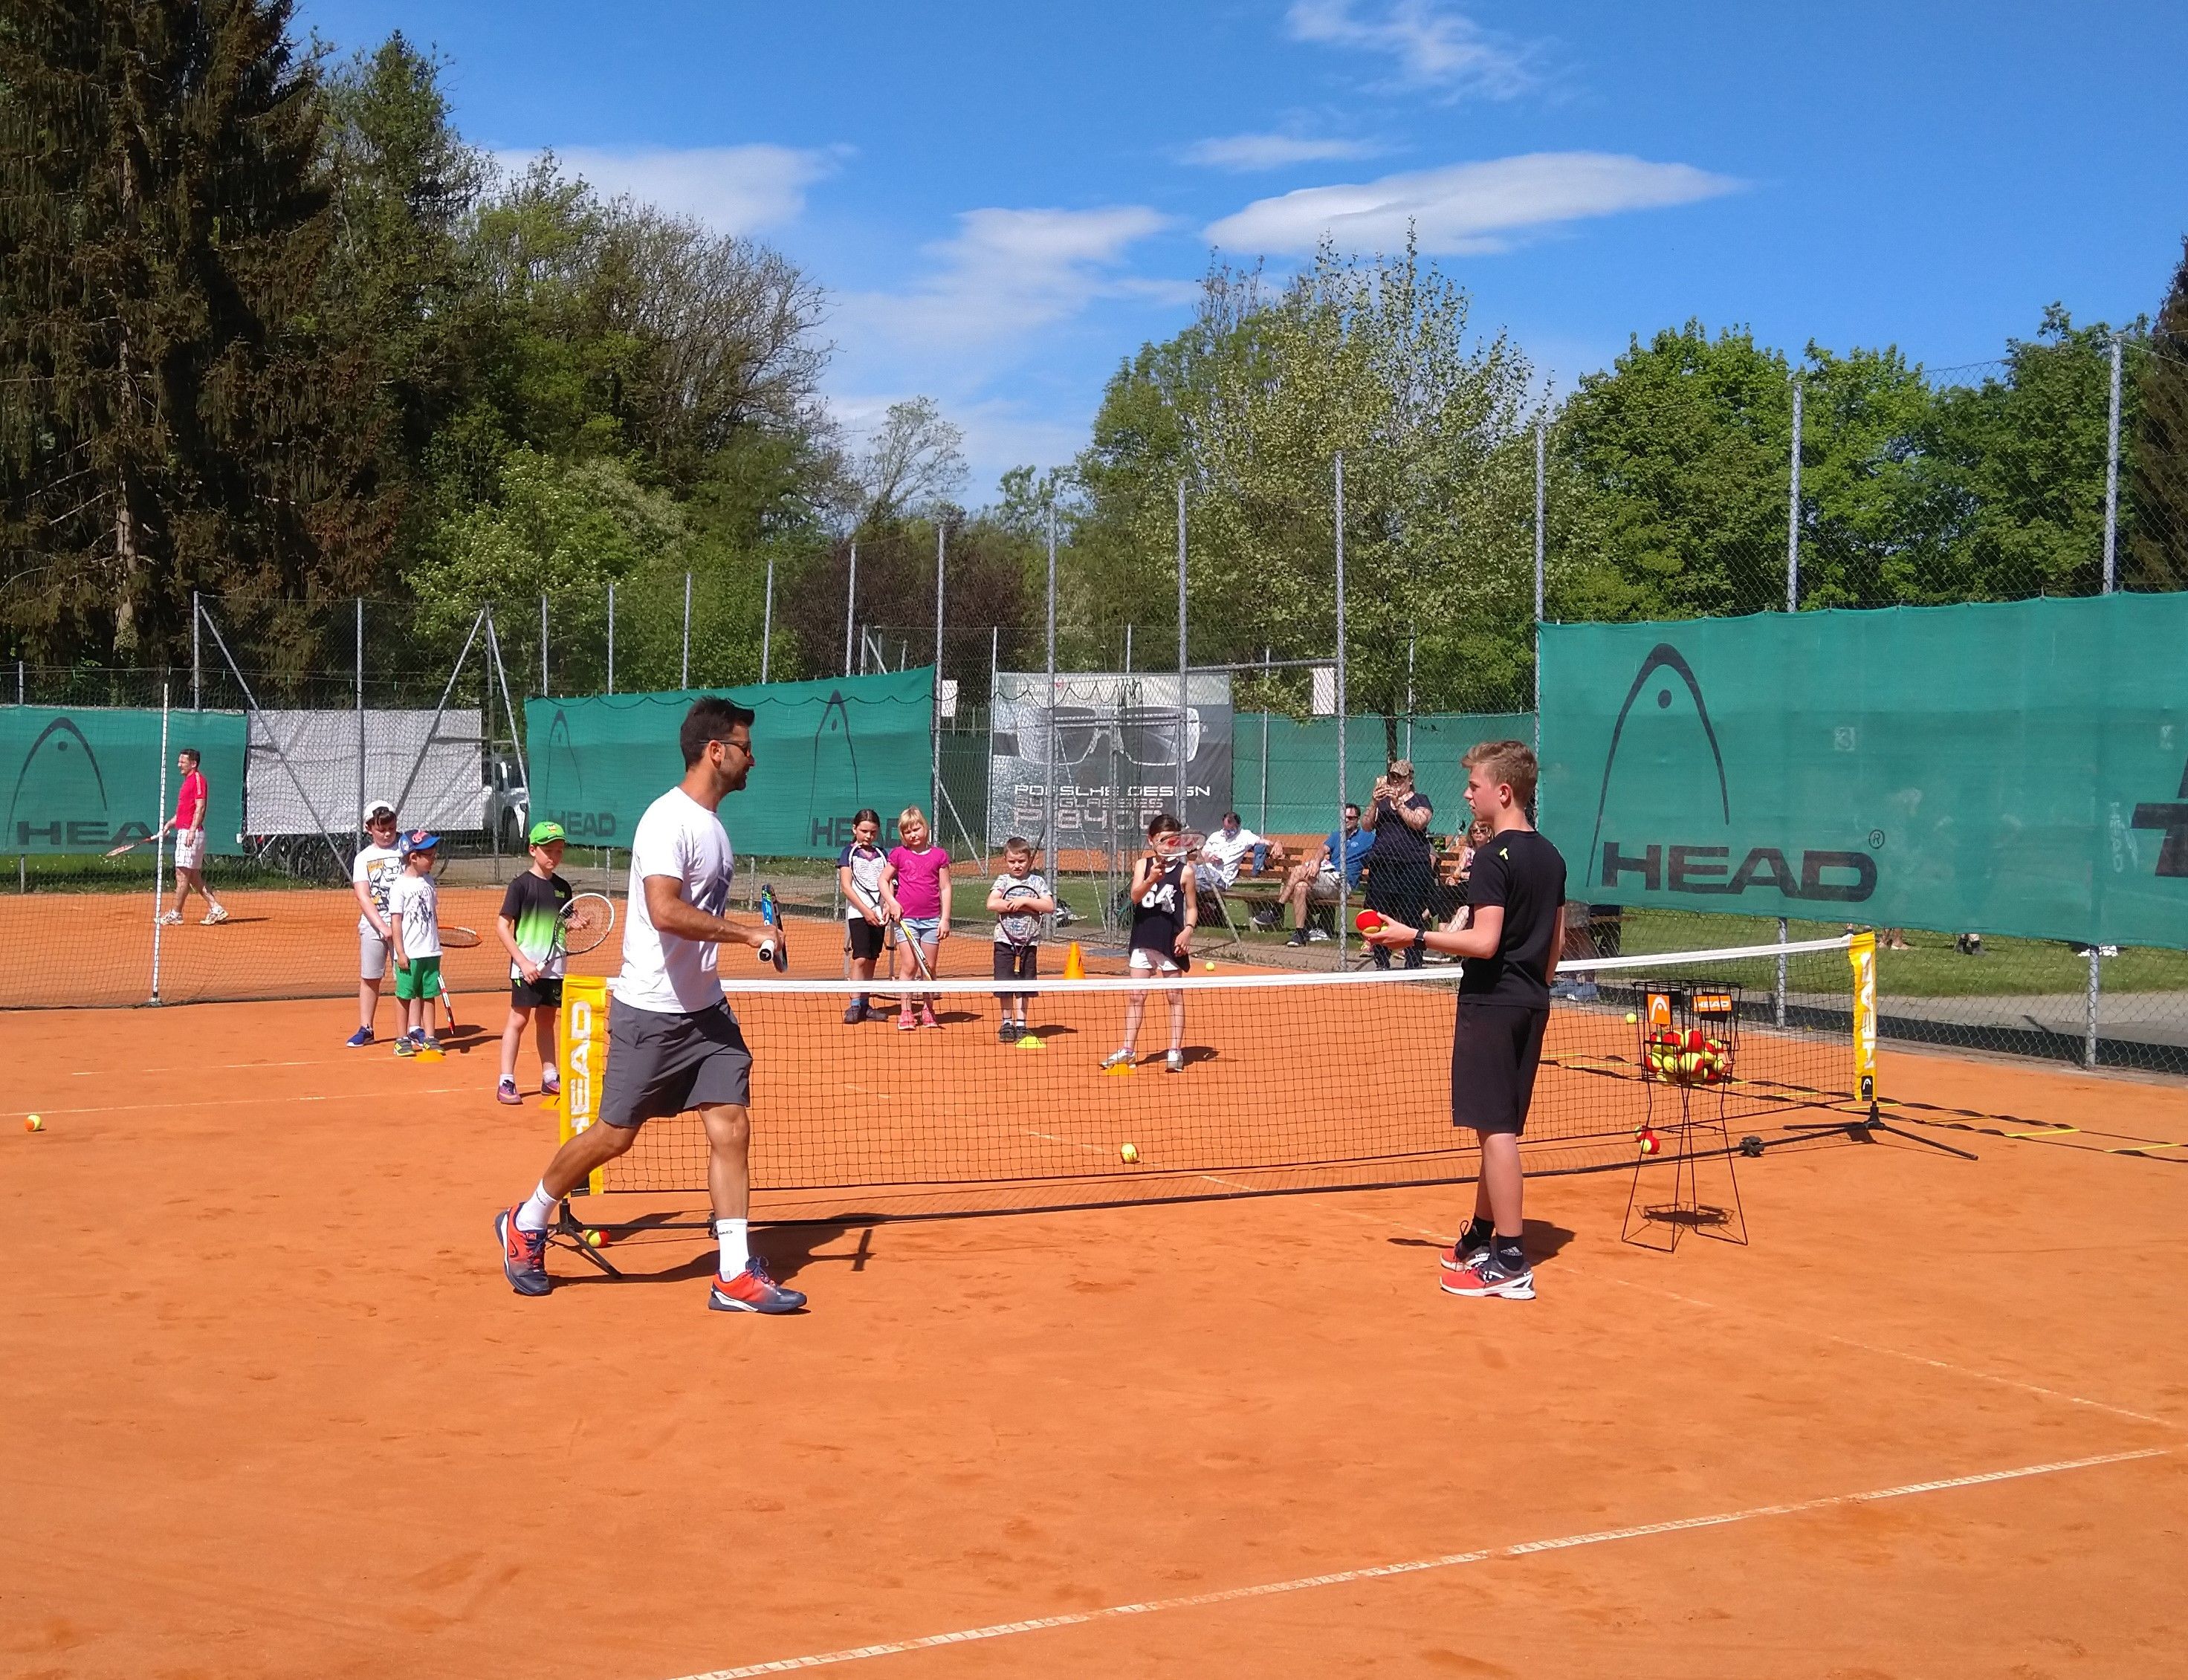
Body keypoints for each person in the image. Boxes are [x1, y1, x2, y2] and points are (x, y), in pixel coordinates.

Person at [495, 695, 803, 1313]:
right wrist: (747, 934)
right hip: (652, 1012)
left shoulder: (715, 828)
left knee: (732, 1125)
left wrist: (750, 934)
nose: (753, 759)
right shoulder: (668, 821)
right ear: (715, 751)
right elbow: (664, 910)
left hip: (706, 1012)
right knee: (614, 1136)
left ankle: (734, 1273)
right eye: (745, 748)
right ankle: (526, 1220)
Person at [1364, 740, 1564, 1302]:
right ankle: (1481, 1234)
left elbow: (1484, 941)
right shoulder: (1551, 856)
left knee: (1496, 1131)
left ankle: (1511, 1259)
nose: (1467, 793)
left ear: (1504, 791)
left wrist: (1413, 935)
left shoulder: (1494, 857)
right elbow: (1553, 948)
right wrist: (1531, 986)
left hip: (1492, 1003)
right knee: (1496, 1128)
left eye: (1475, 786)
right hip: (1531, 1001)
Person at [1102, 812, 1196, 1074]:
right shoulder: (1143, 865)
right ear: (1151, 840)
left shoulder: (1186, 871)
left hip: (1170, 942)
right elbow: (1135, 897)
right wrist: (1151, 879)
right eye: (1163, 840)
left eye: (1173, 840)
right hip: (1143, 938)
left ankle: (1175, 1051)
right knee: (1136, 996)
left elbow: (1192, 907)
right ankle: (1128, 1050)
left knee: (1174, 996)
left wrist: (1188, 931)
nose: (1168, 846)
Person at [493, 820, 573, 1104]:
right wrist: (523, 962)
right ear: (532, 850)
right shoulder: (520, 886)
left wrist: (575, 923)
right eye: (548, 850)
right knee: (519, 1019)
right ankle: (506, 1080)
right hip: (526, 969)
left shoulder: (563, 888)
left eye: (559, 851)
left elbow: (562, 922)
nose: (554, 856)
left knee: (547, 1020)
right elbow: (502, 926)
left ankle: (550, 1077)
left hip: (554, 969)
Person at [1361, 759, 1434, 970]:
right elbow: (1366, 826)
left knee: (1411, 915)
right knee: (1381, 914)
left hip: (1412, 865)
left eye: (1400, 778)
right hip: (1383, 864)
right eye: (1392, 777)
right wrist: (1374, 801)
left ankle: (1414, 963)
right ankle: (1382, 962)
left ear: (1409, 780)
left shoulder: (1420, 800)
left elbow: (1418, 822)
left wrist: (1399, 803)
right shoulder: (1382, 802)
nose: (1395, 781)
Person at [881, 806, 950, 1031]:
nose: (913, 835)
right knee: (909, 965)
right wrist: (892, 903)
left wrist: (945, 919)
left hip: (932, 920)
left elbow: (945, 888)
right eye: (907, 831)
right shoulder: (899, 854)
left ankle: (929, 1010)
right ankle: (906, 1012)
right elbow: (883, 880)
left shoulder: (939, 855)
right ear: (902, 835)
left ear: (925, 828)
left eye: (916, 829)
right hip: (906, 920)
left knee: (929, 967)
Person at [986, 836, 1055, 1042]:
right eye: (1012, 861)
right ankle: (1007, 1023)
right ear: (1005, 861)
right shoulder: (1003, 881)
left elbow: (1049, 906)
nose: (1017, 865)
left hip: (1029, 942)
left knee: (1025, 985)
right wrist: (1018, 906)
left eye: (1021, 861)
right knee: (1005, 984)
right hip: (1004, 941)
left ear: (1029, 860)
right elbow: (992, 904)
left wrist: (1024, 901)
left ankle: (1021, 1024)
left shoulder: (1037, 882)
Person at [385, 830, 446, 1057]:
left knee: (429, 994)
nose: (433, 859)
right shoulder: (400, 886)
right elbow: (396, 921)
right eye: (429, 855)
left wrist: (435, 943)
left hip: (430, 951)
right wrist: (400, 952)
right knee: (405, 995)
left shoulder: (429, 881)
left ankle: (430, 1037)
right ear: (413, 857)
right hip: (409, 953)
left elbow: (433, 915)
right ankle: (402, 1039)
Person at [347, 800, 403, 1046]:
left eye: (391, 828)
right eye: (381, 830)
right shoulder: (363, 858)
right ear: (369, 828)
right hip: (373, 925)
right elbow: (363, 896)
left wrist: (398, 926)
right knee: (370, 976)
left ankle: (413, 1029)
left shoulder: (407, 849)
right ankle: (366, 1028)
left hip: (405, 926)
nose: (387, 834)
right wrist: (382, 927)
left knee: (407, 978)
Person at [1278, 803, 1370, 945]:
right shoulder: (1336, 835)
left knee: (1298, 870)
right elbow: (1322, 849)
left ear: (1357, 819)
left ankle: (1277, 909)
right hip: (1327, 878)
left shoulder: (1367, 838)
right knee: (1300, 887)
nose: (1346, 820)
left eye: (1351, 818)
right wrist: (1316, 862)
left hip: (1343, 884)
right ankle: (1300, 934)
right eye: (1344, 817)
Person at [157, 747, 227, 927]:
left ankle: (176, 914)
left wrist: (192, 830)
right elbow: (184, 812)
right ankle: (216, 908)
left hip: (190, 834)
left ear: (193, 764)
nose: (179, 764)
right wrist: (169, 824)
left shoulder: (198, 780)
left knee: (182, 874)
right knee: (193, 876)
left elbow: (200, 807)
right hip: (186, 831)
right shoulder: (187, 782)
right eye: (179, 761)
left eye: (183, 761)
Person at [837, 808, 889, 1023]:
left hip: (879, 915)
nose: (869, 836)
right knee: (860, 958)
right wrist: (866, 911)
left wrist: (887, 905)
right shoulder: (848, 853)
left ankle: (865, 1005)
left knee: (872, 959)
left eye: (873, 832)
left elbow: (888, 883)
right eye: (864, 831)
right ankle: (855, 1005)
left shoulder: (882, 854)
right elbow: (846, 887)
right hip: (858, 914)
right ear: (854, 829)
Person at [1195, 811, 1277, 894]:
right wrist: (1208, 859)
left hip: (1219, 878)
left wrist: (1278, 844)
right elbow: (1198, 861)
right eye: (1226, 828)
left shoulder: (1245, 836)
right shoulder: (1215, 836)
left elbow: (1266, 842)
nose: (1228, 832)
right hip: (1202, 871)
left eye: (1231, 829)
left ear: (1238, 825)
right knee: (1188, 872)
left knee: (1191, 882)